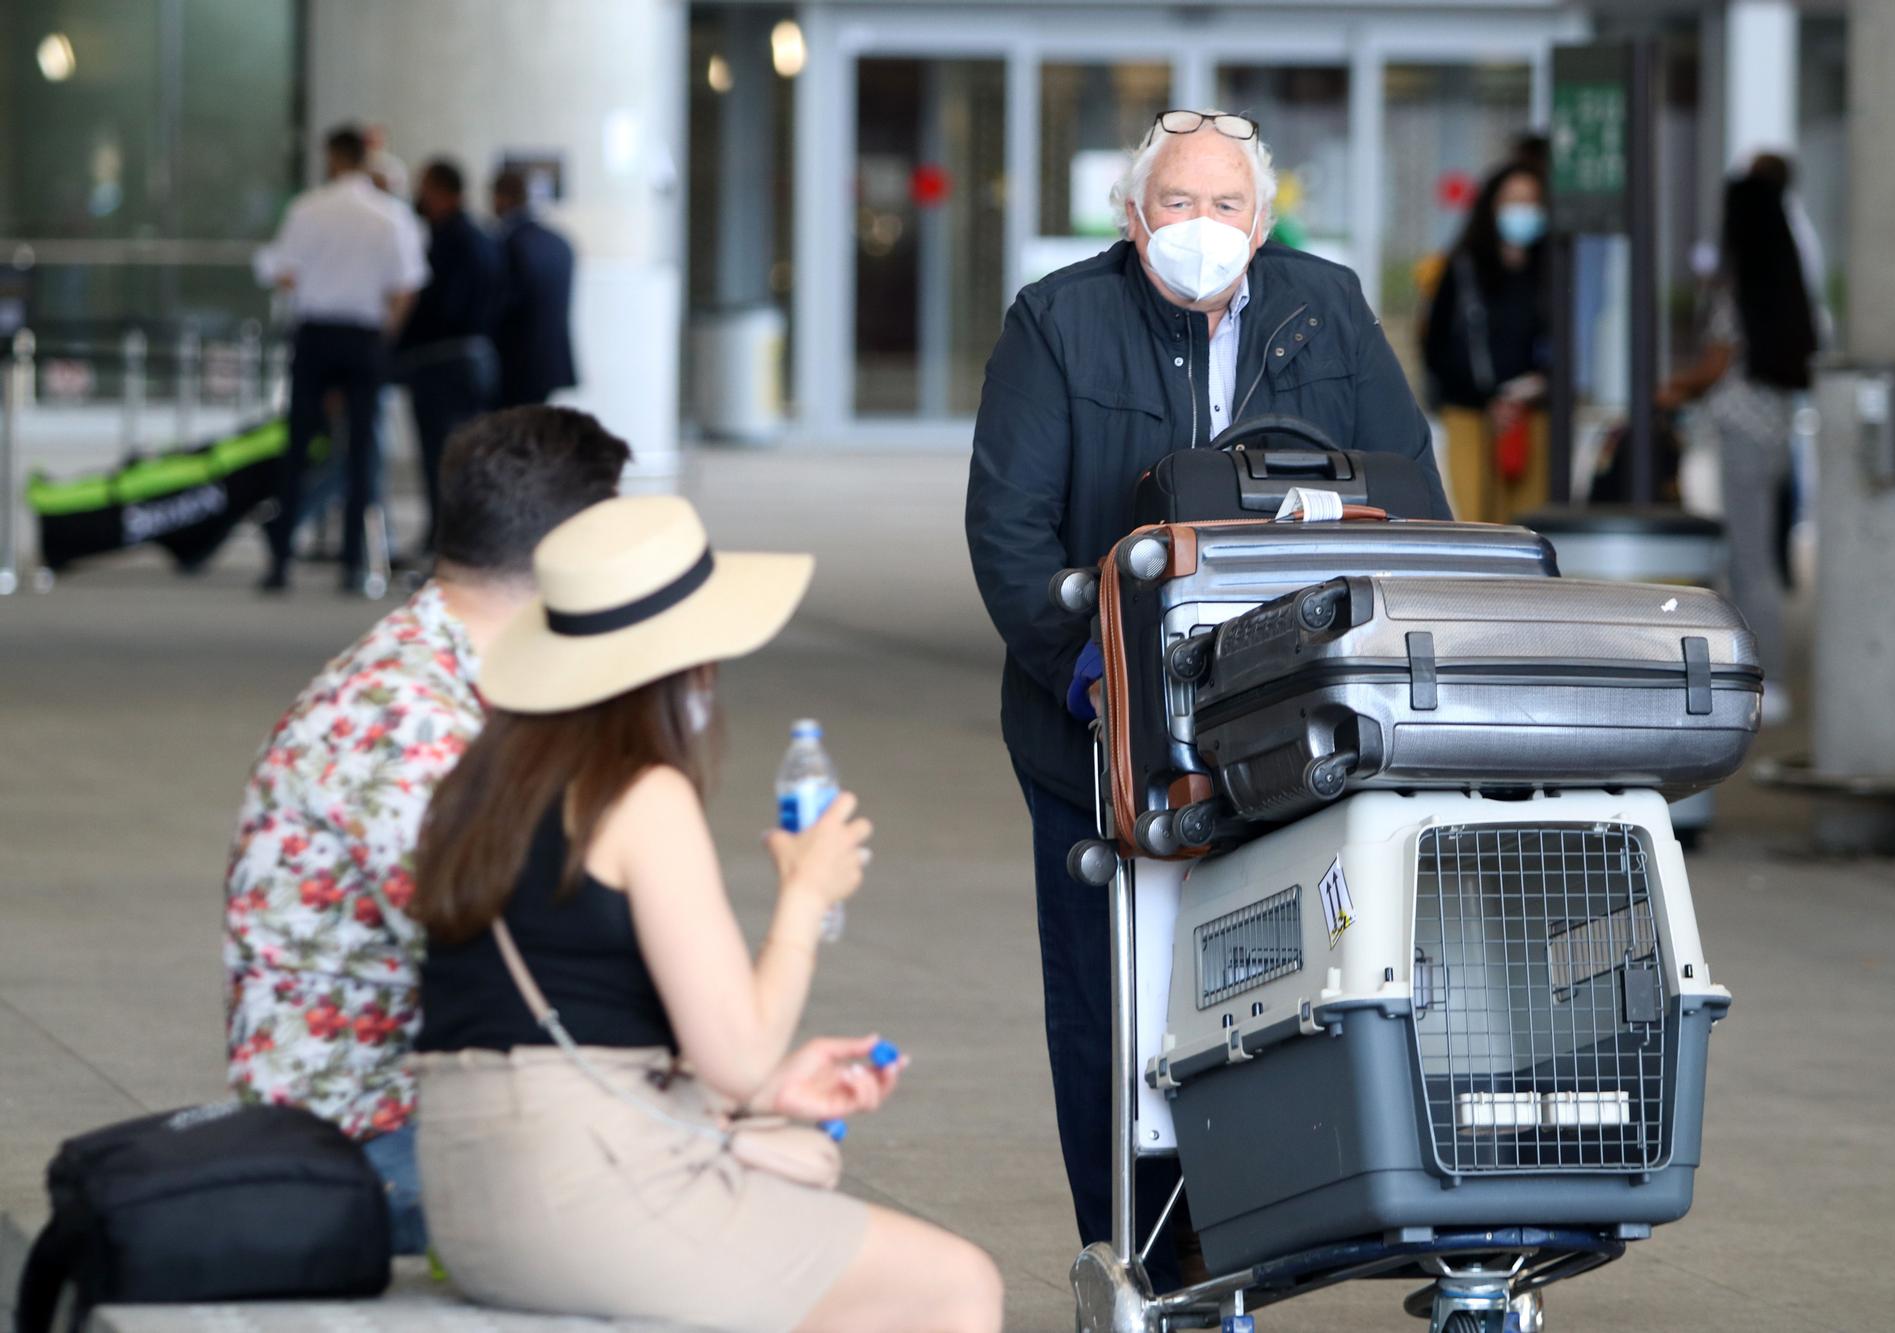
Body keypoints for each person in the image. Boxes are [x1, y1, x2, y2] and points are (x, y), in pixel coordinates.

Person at [964, 107, 1447, 1292]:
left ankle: (1311, 1208)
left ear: (1262, 219)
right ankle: (1146, 1248)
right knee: (1114, 993)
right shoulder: (1059, 321)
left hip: (1295, 714)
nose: (1199, 226)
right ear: (1132, 218)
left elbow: (1413, 499)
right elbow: (1008, 527)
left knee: (1302, 962)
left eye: (1223, 204)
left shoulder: (1322, 306)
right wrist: (1091, 673)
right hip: (1103, 726)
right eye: (1174, 203)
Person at [407, 495, 1004, 1332]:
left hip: (475, 1193)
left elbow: (563, 1010)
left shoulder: (478, 785)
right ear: (679, 664)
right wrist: (806, 891)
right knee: (954, 1282)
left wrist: (770, 1089)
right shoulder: (641, 794)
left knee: (812, 1192)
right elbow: (735, 1050)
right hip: (586, 1200)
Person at [226, 406, 632, 1255]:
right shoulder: (406, 720)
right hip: (372, 1149)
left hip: (420, 1105)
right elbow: (521, 974)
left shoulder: (453, 670)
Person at [1659, 172, 1817, 723]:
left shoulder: (1740, 286)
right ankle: (1767, 675)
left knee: (1750, 563)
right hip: (1774, 433)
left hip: (1741, 435)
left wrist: (1674, 386)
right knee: (1760, 555)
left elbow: (1717, 363)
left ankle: (1765, 679)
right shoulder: (1786, 282)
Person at [254, 125, 427, 592]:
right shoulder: (390, 216)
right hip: (365, 336)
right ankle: (354, 564)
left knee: (299, 445)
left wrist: (317, 288)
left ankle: (281, 560)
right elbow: (406, 286)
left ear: (333, 158)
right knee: (363, 450)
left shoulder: (308, 209)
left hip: (316, 333)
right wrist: (384, 330)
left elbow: (280, 271)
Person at [1420, 159, 1552, 523]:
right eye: (1513, 201)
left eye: (1531, 202)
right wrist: (1488, 399)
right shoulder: (1462, 269)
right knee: (1475, 520)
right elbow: (1435, 345)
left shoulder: (1552, 270)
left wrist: (1532, 390)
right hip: (1471, 413)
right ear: (1491, 206)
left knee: (1530, 523)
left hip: (1533, 417)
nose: (1522, 211)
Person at [398, 158, 502, 554]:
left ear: (441, 191)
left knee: (440, 457)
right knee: (461, 455)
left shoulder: (446, 241)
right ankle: (457, 536)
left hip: (441, 363)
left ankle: (449, 538)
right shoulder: (481, 236)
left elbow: (436, 306)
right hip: (473, 360)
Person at [490, 168, 578, 408]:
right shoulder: (559, 241)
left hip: (516, 362)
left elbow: (502, 305)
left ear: (501, 197)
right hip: (551, 360)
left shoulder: (509, 243)